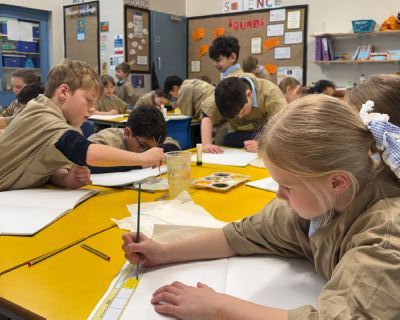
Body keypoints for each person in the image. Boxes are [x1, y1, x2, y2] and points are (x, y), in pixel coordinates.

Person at [122, 94, 400, 319]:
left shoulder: (386, 237)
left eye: (287, 186)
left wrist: (218, 307)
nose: (279, 195)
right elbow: (243, 234)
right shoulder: (323, 201)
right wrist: (162, 252)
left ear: (337, 182)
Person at [0, 60, 164, 191]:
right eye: (89, 101)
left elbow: (45, 165)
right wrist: (143, 158)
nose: (92, 109)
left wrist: (65, 179)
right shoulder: (43, 115)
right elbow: (87, 151)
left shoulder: (62, 123)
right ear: (64, 92)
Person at [200, 74, 287, 153]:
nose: (240, 117)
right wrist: (206, 144)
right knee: (228, 139)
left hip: (266, 134)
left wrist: (264, 145)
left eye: (243, 111)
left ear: (248, 94)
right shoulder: (223, 93)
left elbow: (283, 126)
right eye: (235, 116)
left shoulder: (271, 93)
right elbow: (207, 115)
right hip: (238, 134)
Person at [88, 105, 180, 173]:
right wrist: (139, 162)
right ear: (127, 133)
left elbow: (173, 145)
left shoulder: (152, 137)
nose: (150, 154)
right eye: (144, 146)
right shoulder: (107, 139)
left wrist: (159, 150)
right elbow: (86, 161)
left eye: (155, 147)